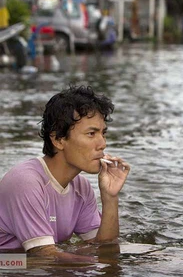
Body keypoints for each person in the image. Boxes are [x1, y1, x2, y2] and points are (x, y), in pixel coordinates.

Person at [0, 85, 130, 261]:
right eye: (91, 133)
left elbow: (104, 247)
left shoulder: (81, 188)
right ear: (58, 140)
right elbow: (44, 258)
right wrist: (104, 263)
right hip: (9, 264)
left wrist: (110, 197)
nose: (102, 144)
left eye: (103, 133)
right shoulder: (25, 182)